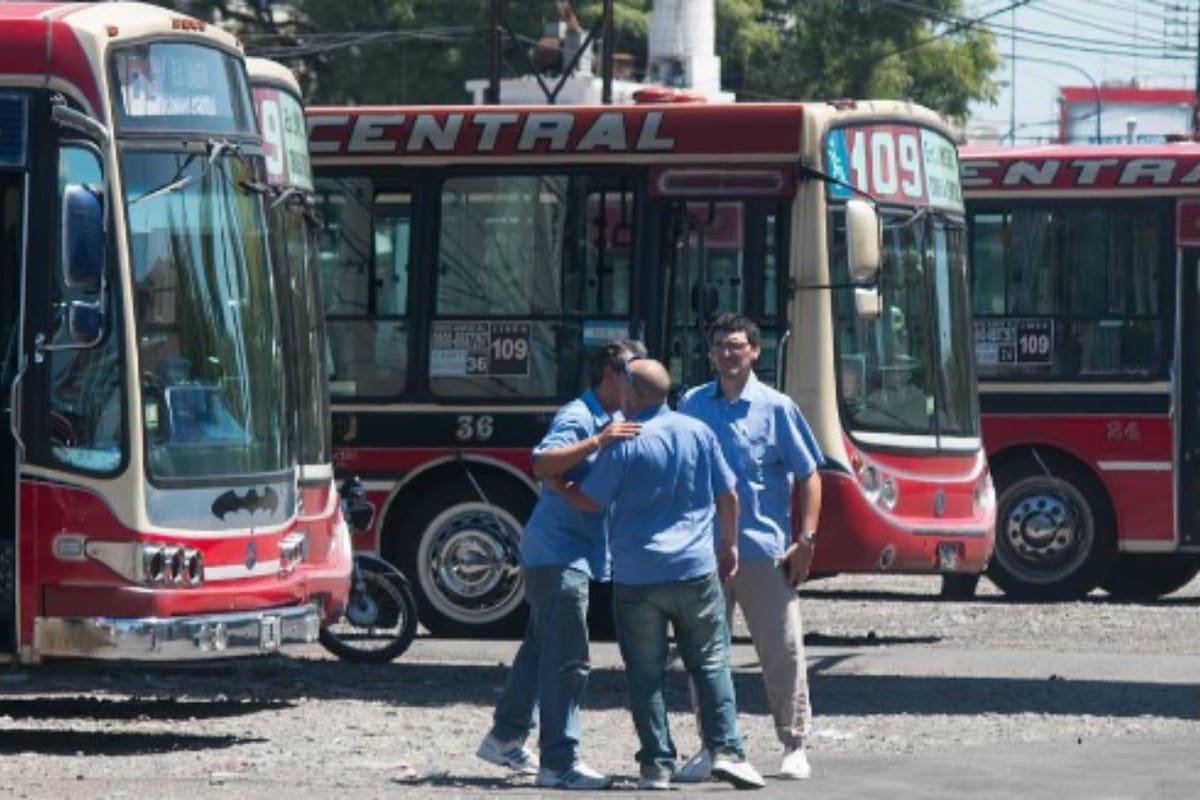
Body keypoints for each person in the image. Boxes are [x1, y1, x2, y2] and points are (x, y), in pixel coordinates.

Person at [558, 358, 765, 791]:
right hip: (695, 568)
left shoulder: (625, 440)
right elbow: (728, 495)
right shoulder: (698, 432)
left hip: (637, 575)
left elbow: (592, 501)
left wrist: (557, 483)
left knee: (645, 673)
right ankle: (727, 750)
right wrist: (728, 545)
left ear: (634, 394)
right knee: (710, 662)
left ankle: (656, 766)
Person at [475, 339, 643, 790]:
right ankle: (558, 762)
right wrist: (598, 441)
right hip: (558, 555)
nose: (639, 381)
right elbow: (541, 462)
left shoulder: (619, 416)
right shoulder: (579, 416)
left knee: (539, 651)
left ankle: (505, 737)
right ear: (611, 374)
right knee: (568, 662)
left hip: (569, 553)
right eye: (634, 372)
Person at [677, 312, 823, 782]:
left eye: (736, 345)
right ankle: (712, 743)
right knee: (704, 653)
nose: (727, 353)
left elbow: (811, 475)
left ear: (755, 351)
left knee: (781, 651)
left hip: (764, 550)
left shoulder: (777, 407)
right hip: (703, 552)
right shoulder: (692, 404)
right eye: (719, 344)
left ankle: (794, 743)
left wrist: (806, 540)